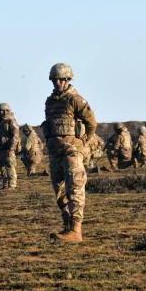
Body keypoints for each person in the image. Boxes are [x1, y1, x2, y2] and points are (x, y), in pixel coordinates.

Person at [41, 63, 97, 242]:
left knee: (75, 188)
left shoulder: (75, 100)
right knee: (59, 190)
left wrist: (82, 143)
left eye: (61, 79)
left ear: (68, 79)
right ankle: (66, 225)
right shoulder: (50, 102)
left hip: (72, 152)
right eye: (55, 80)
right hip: (55, 152)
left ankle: (76, 229)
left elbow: (91, 123)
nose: (57, 83)